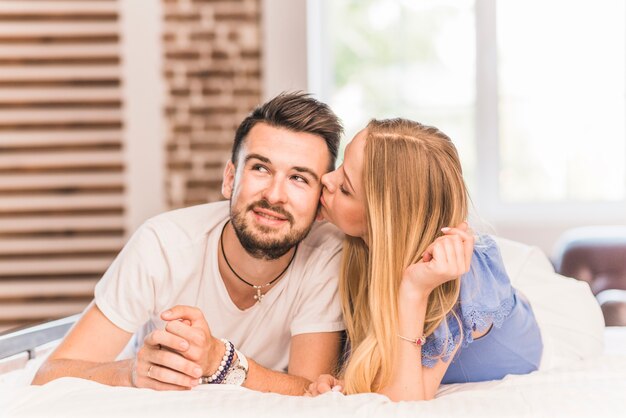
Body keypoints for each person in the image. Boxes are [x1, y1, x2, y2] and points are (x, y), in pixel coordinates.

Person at [33, 92, 346, 395]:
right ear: (229, 179)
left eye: (299, 178)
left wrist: (222, 360)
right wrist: (130, 372)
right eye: (260, 168)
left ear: (321, 201)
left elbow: (310, 390)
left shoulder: (327, 254)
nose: (275, 195)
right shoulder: (162, 245)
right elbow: (50, 374)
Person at [309, 118, 543, 401]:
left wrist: (413, 291)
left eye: (345, 188)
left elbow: (406, 402)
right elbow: (381, 367)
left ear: (383, 223)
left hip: (547, 326)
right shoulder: (357, 249)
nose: (326, 179)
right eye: (340, 168)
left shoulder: (458, 280)